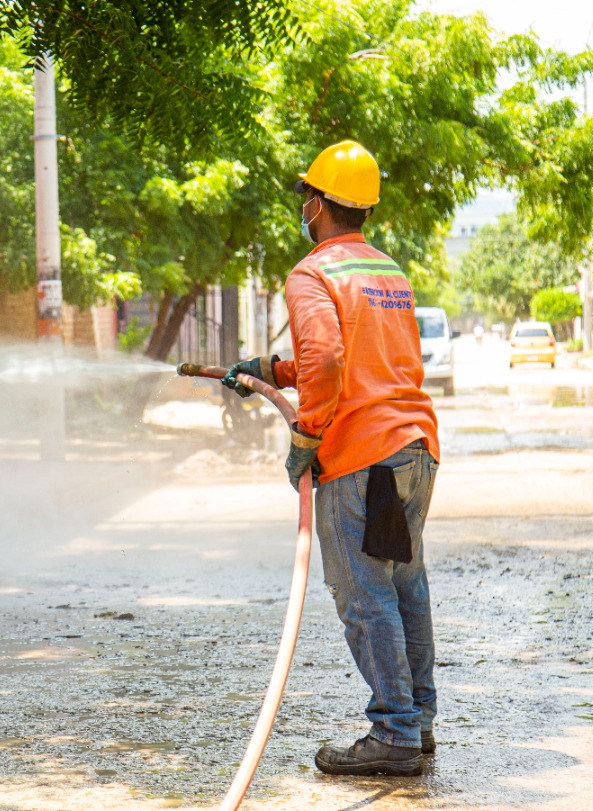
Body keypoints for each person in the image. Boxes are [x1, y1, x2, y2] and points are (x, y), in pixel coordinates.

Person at [222, 140, 441, 777]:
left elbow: (330, 364)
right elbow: (357, 357)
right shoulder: (388, 273)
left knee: (365, 596)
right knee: (405, 587)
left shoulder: (312, 273)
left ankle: (395, 734)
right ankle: (417, 722)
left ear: (317, 204)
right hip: (413, 451)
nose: (304, 209)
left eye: (305, 200)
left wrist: (307, 437)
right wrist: (270, 372)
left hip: (362, 459)